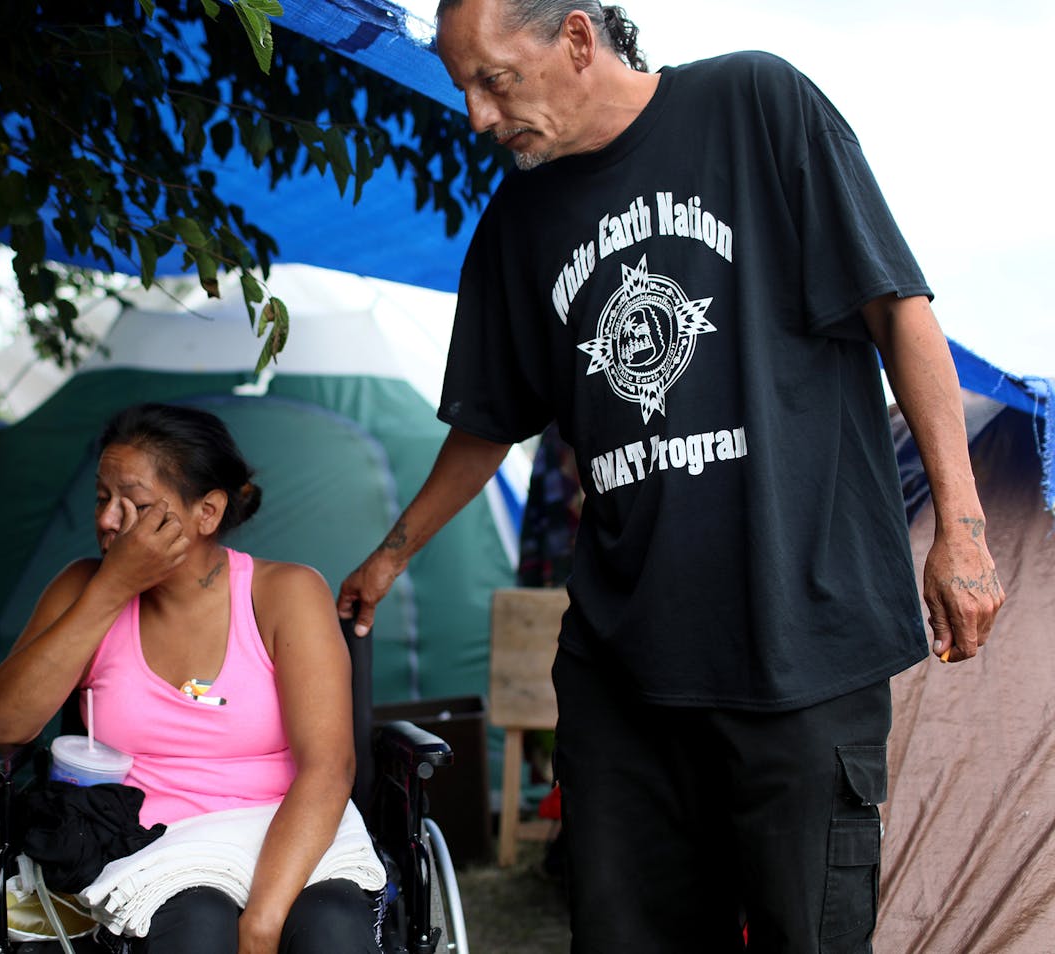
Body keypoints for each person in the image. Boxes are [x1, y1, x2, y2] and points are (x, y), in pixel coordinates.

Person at [337, 2, 1005, 952]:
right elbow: (489, 424)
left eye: (494, 80)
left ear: (574, 37)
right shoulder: (520, 223)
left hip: (798, 648)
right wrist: (391, 555)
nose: (480, 116)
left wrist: (964, 532)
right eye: (465, 91)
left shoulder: (756, 104)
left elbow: (900, 311)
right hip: (627, 673)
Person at [0, 403, 381, 954]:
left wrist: (263, 920)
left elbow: (329, 767)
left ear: (208, 512)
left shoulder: (285, 593)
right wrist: (110, 588)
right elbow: (5, 723)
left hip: (291, 827)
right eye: (102, 499)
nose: (107, 520)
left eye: (136, 504)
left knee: (332, 931)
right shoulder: (83, 587)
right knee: (195, 929)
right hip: (152, 843)